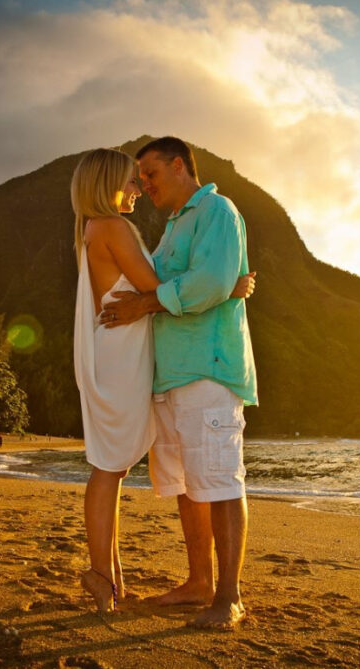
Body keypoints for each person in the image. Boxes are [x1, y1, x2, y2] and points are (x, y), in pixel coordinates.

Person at [70, 148, 254, 614]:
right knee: (158, 476)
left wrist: (217, 284)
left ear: (179, 166)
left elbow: (179, 285)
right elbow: (162, 286)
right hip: (154, 370)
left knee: (207, 479)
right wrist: (222, 285)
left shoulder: (216, 210)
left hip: (200, 368)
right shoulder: (134, 227)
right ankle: (165, 580)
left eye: (148, 175)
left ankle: (221, 595)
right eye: (134, 179)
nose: (141, 186)